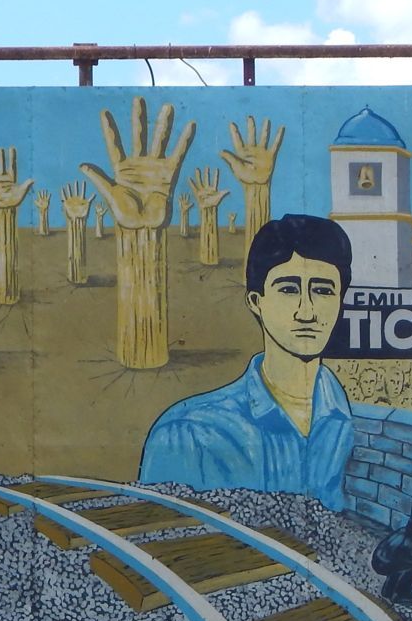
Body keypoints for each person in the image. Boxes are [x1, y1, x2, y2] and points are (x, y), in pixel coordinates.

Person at [138, 215, 355, 509]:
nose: (307, 312)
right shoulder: (188, 433)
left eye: (323, 290)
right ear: (256, 301)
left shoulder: (346, 423)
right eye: (289, 290)